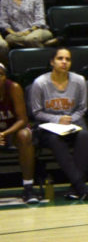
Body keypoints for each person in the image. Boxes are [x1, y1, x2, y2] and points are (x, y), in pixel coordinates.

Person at [28, 47, 88, 200]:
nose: (64, 62)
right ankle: (80, 185)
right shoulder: (40, 83)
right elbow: (36, 112)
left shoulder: (79, 81)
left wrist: (70, 119)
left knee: (84, 136)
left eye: (68, 59)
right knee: (55, 141)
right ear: (52, 62)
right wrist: (57, 120)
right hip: (48, 126)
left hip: (73, 122)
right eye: (60, 58)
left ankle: (74, 188)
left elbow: (82, 108)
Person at [0, 61, 40, 203]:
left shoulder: (14, 88)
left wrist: (4, 134)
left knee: (25, 135)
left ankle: (28, 187)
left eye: (1, 74)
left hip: (13, 131)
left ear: (6, 77)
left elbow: (22, 120)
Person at [0, 0, 54, 64]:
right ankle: (44, 45)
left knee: (31, 39)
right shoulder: (5, 1)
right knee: (9, 39)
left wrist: (28, 32)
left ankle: (44, 64)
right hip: (15, 34)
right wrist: (13, 32)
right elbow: (3, 23)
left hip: (37, 30)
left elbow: (40, 20)